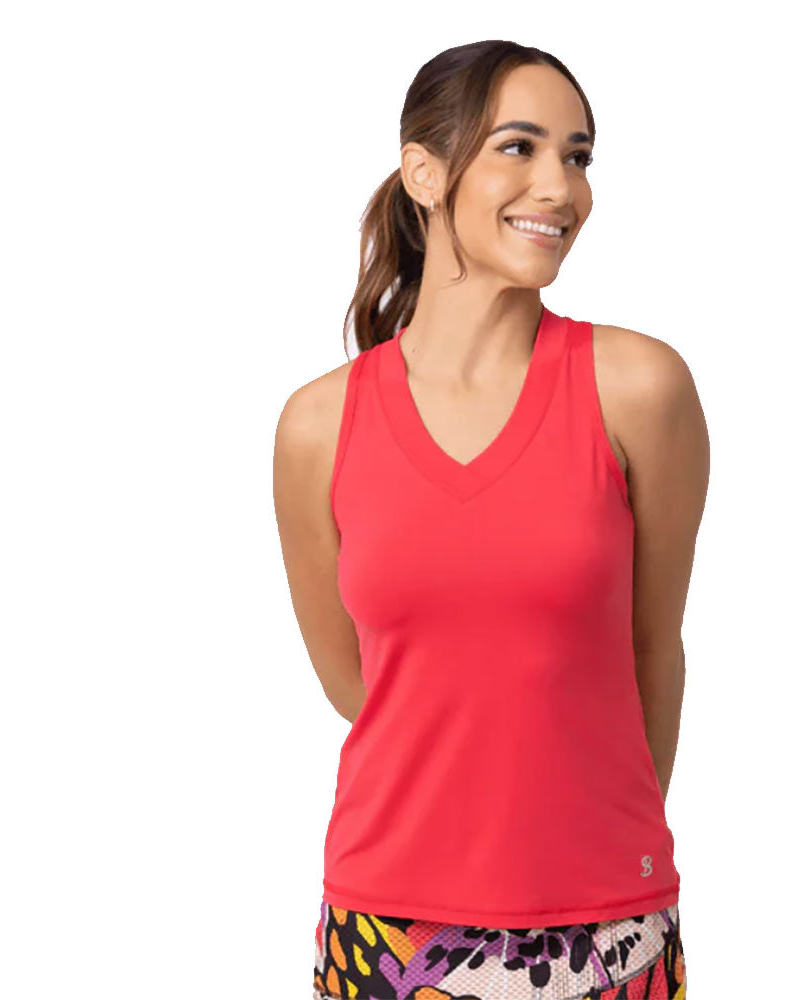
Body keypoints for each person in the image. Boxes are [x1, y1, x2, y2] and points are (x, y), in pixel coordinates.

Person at [274, 39, 709, 1000]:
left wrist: (594, 848)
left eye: (578, 156)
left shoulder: (640, 389)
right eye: (519, 146)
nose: (560, 187)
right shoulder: (318, 426)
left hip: (607, 925)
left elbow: (653, 648)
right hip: (386, 929)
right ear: (424, 174)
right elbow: (360, 684)